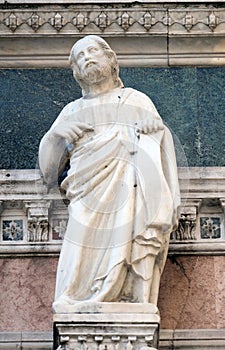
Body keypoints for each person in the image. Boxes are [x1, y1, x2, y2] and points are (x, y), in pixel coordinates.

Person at [39, 35, 180, 308]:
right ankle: (76, 296)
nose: (87, 58)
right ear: (77, 72)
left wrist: (151, 132)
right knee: (79, 244)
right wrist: (56, 136)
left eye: (93, 51)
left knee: (124, 237)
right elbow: (48, 171)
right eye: (80, 57)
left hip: (127, 190)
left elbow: (158, 141)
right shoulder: (72, 110)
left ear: (110, 59)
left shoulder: (135, 99)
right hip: (86, 191)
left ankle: (122, 291)